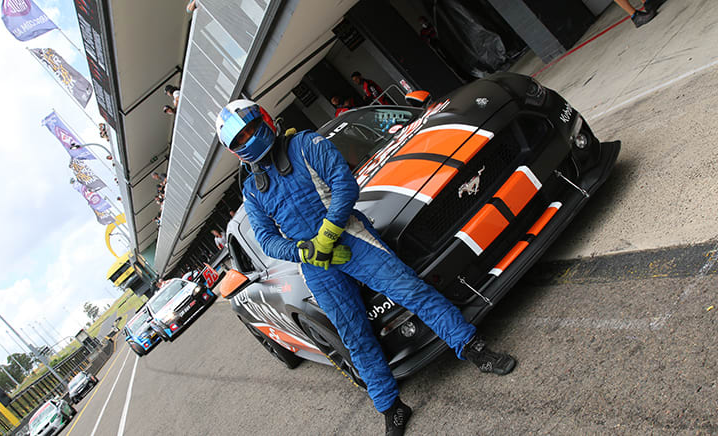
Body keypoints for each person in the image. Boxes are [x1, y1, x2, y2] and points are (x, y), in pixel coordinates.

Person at [215, 99, 516, 436]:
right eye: (239, 139)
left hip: (351, 237)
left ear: (264, 119)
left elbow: (344, 183)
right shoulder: (252, 192)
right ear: (234, 150)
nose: (248, 139)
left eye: (251, 129)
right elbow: (268, 241)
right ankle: (391, 407)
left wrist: (328, 235)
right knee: (354, 337)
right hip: (314, 265)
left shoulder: (305, 144)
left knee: (412, 291)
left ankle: (474, 348)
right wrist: (304, 250)